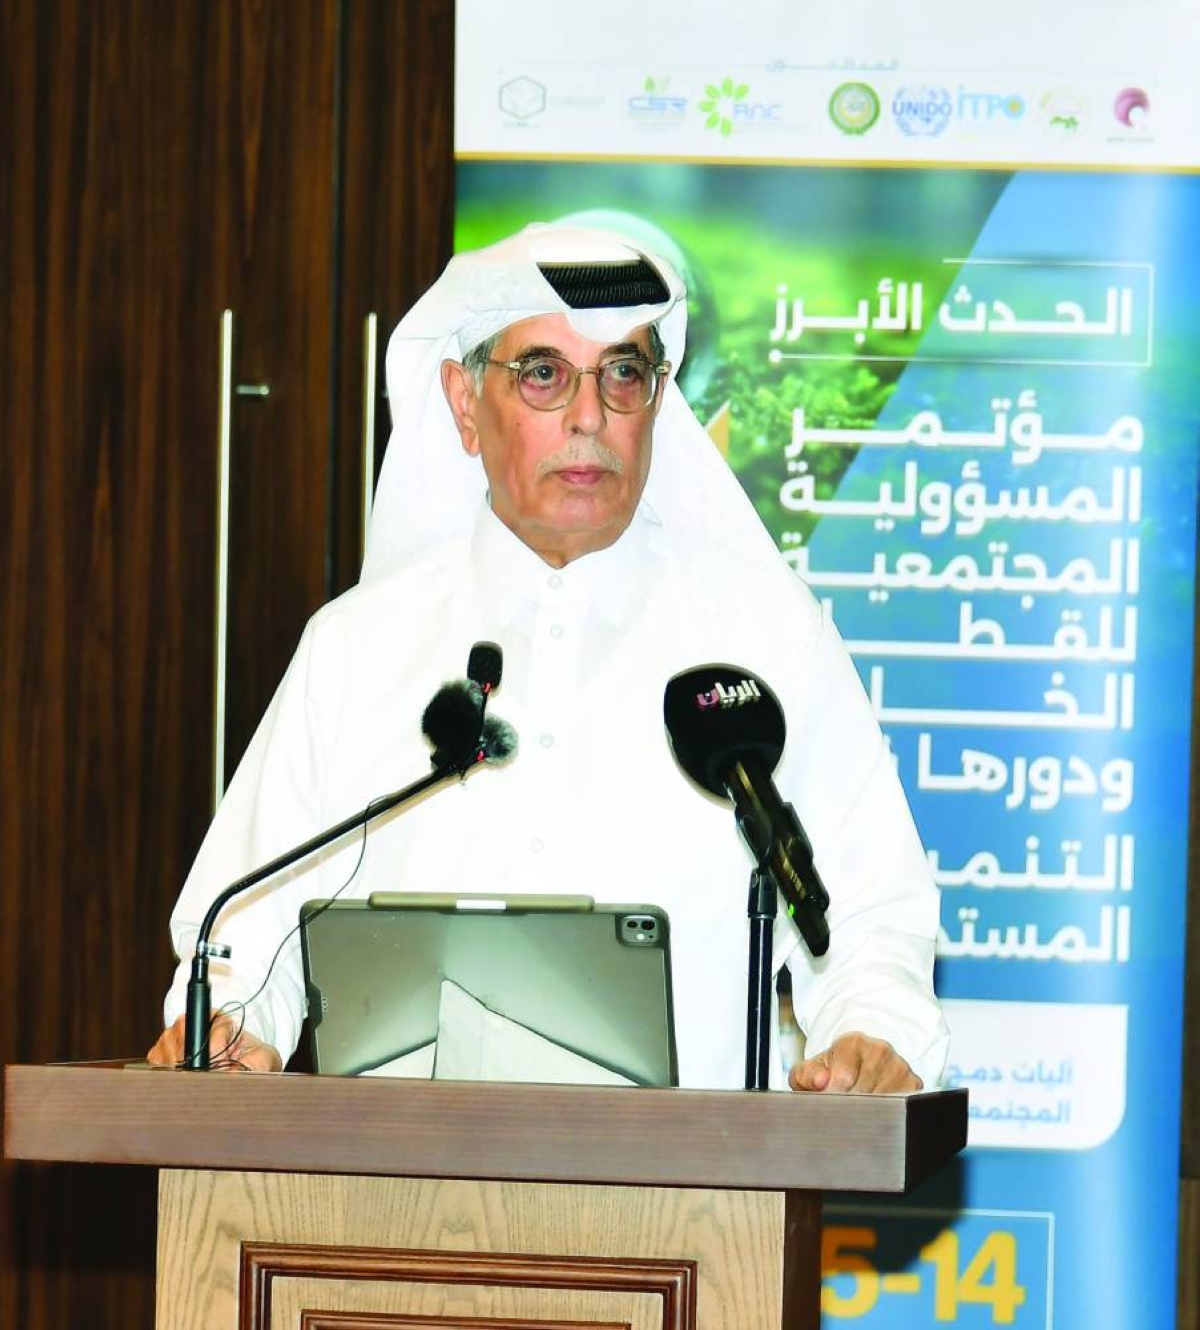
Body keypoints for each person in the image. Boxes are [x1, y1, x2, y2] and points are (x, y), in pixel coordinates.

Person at [148, 223, 949, 1094]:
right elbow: (240, 935)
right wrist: (232, 1025)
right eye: (543, 374)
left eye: (623, 374)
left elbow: (870, 915)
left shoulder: (766, 638)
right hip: (398, 1178)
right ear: (463, 402)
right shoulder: (355, 650)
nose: (588, 416)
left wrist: (872, 1034)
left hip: (694, 1179)